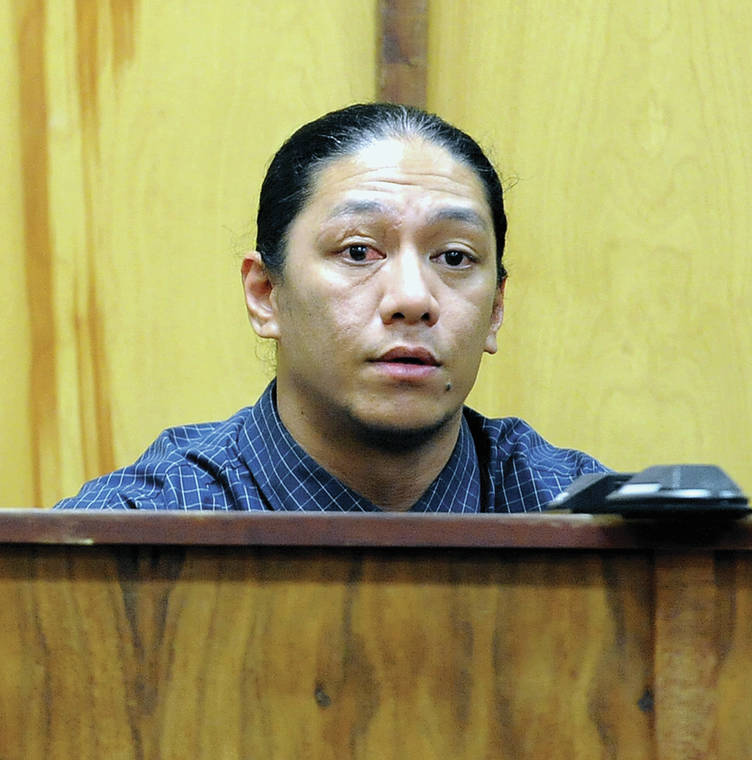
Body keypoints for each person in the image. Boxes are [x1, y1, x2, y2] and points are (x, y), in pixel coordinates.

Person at [54, 103, 606, 512]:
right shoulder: (130, 533)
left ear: (496, 309)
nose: (412, 299)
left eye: (454, 257)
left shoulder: (594, 523)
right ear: (266, 294)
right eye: (358, 251)